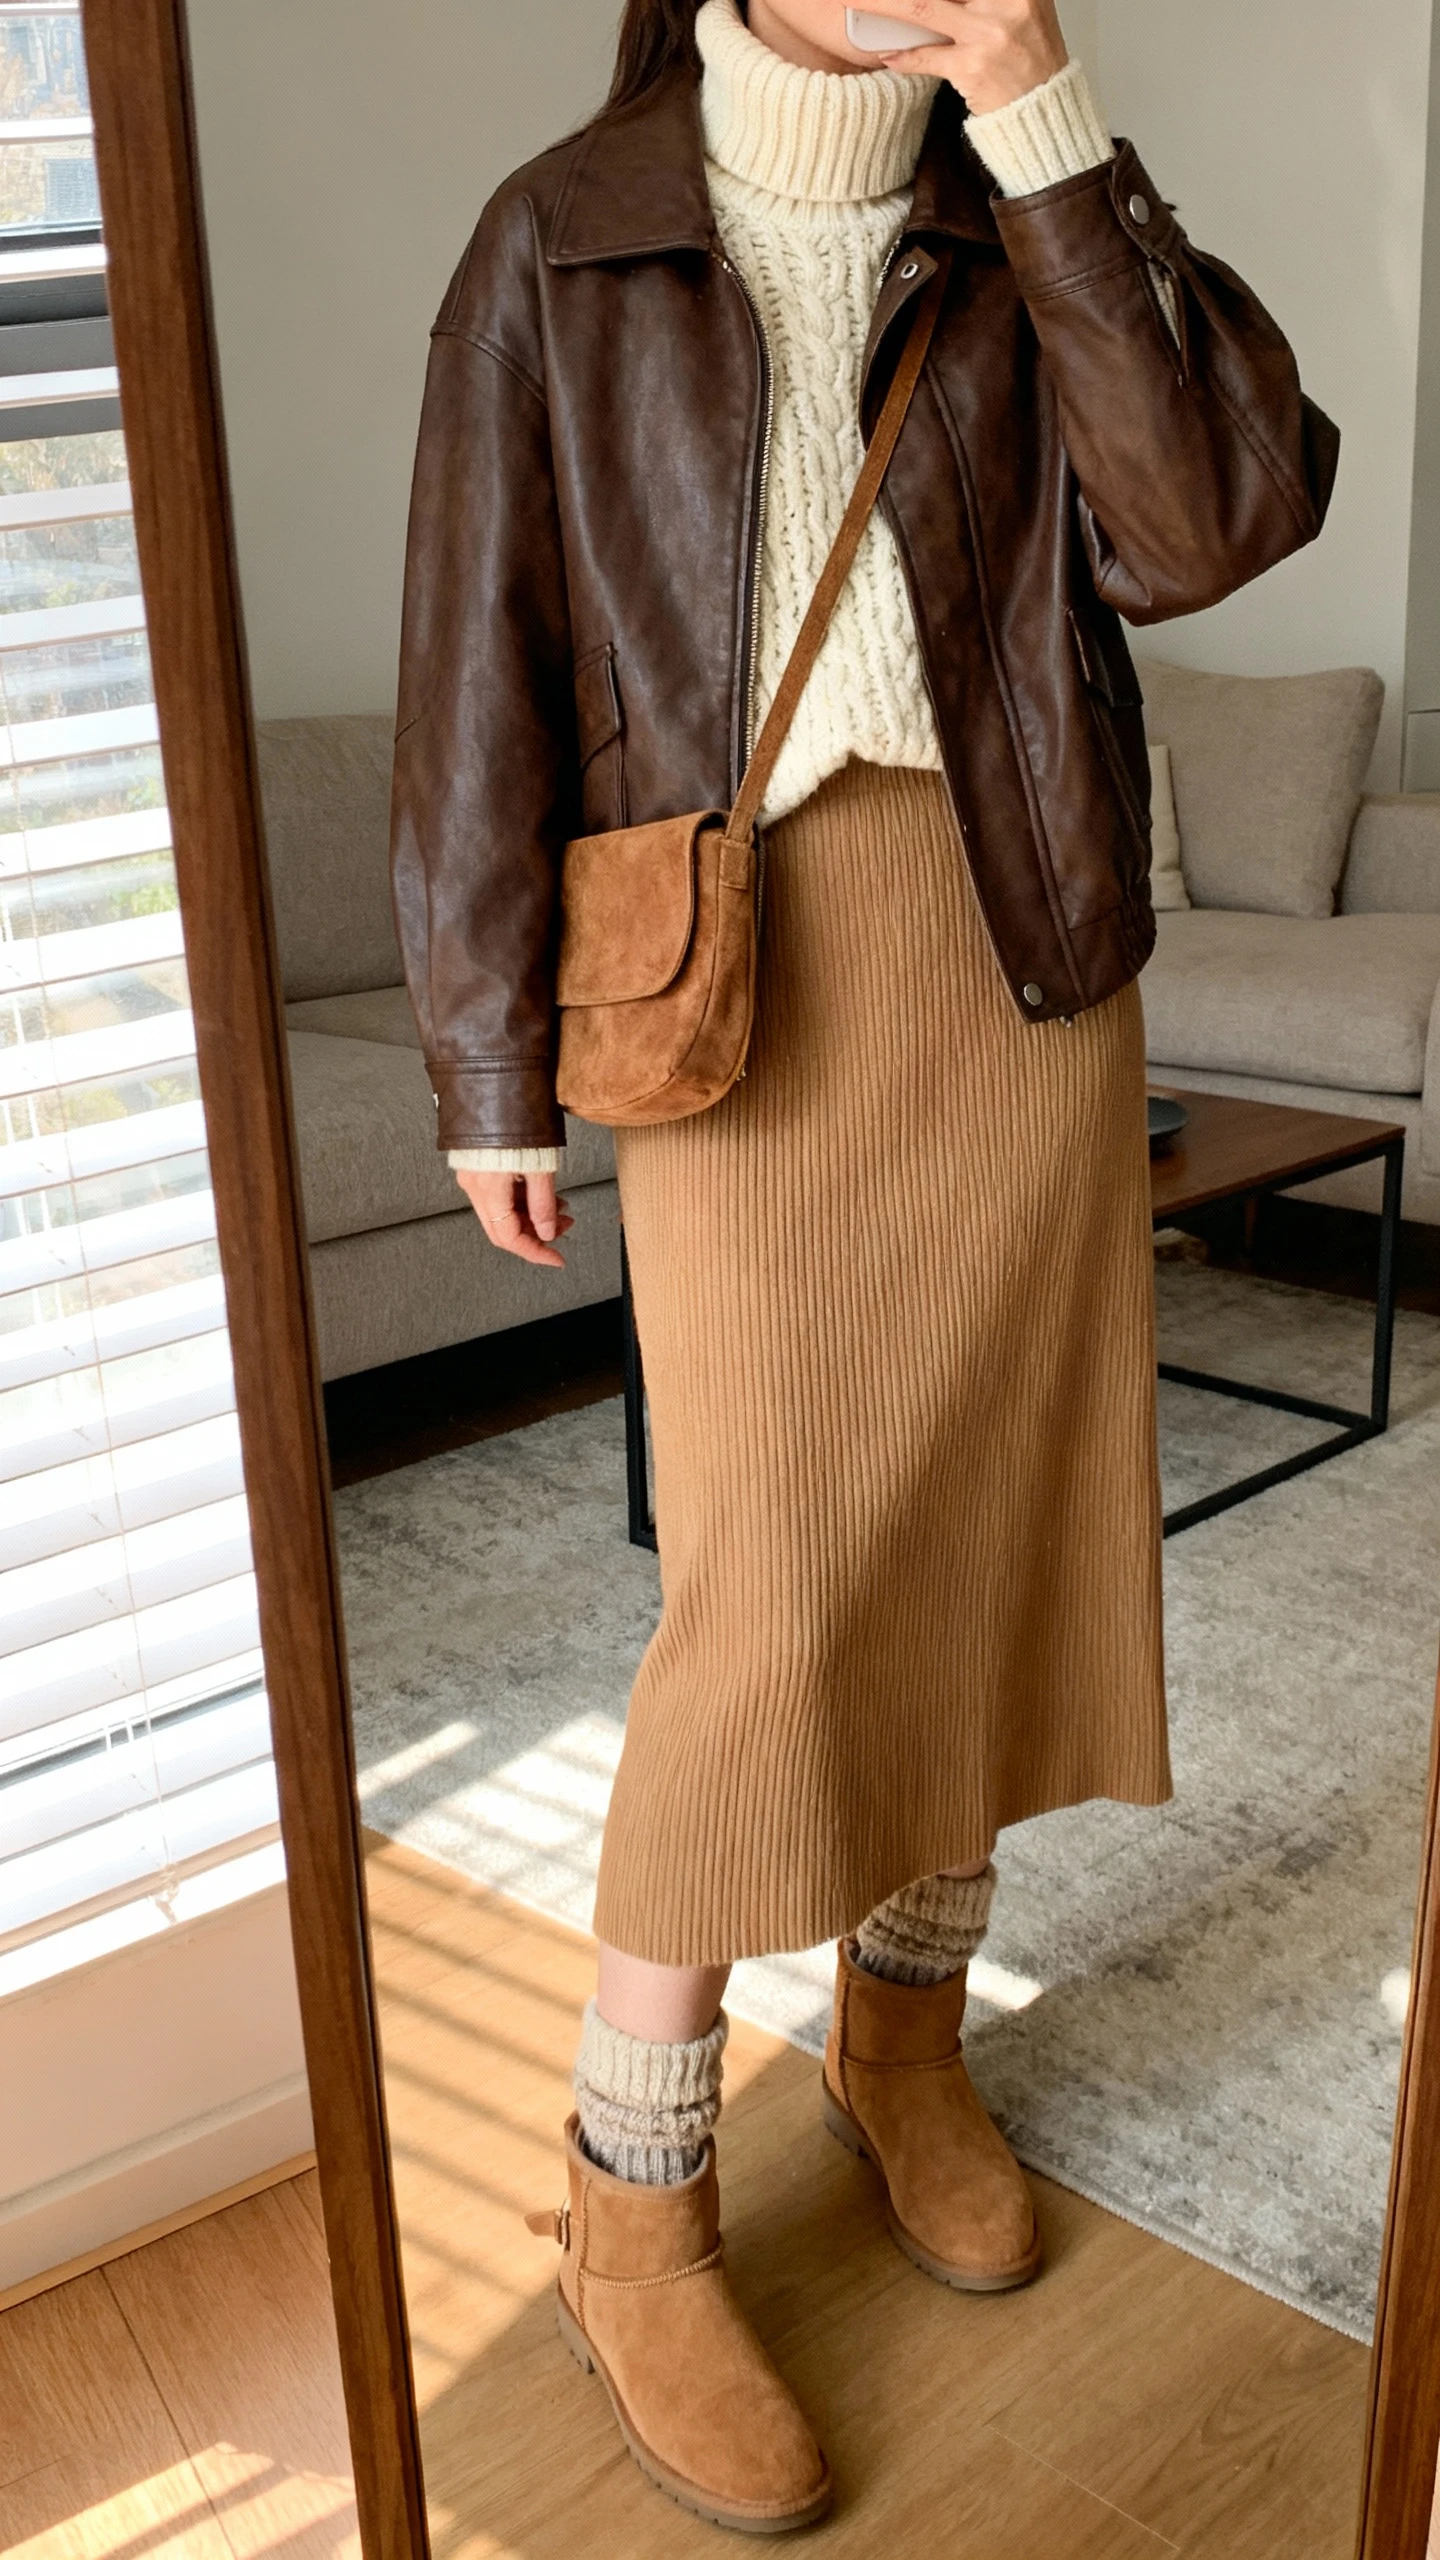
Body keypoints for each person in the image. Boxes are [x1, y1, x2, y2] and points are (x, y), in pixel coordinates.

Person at [391, 0, 1336, 2530]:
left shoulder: (1012, 202)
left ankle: (906, 2034)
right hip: (738, 983)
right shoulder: (563, 237)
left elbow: (1215, 516)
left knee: (990, 1534)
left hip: (1027, 950)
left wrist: (1045, 120)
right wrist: (488, 1056)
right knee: (769, 1603)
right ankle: (630, 2192)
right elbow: (476, 665)